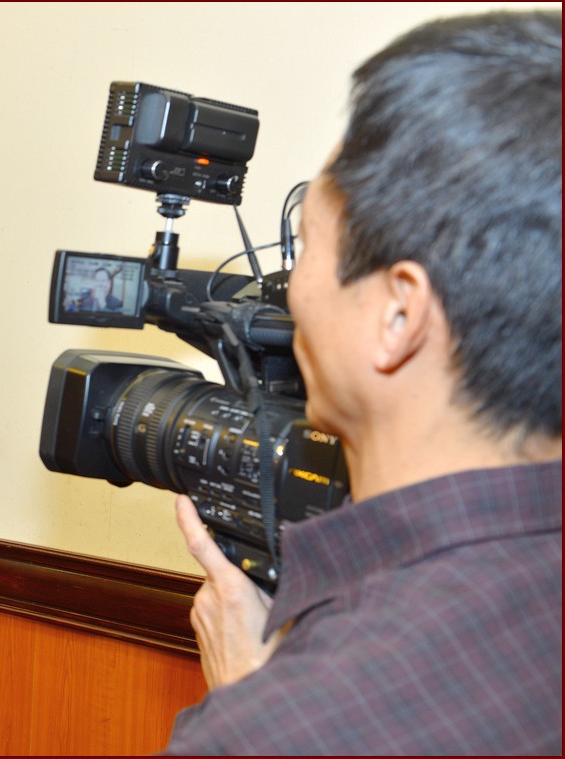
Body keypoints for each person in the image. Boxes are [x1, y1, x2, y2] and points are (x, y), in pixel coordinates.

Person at [164, 10, 561, 755]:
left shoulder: (277, 732)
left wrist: (251, 707)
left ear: (398, 314)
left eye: (306, 244)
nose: (290, 291)